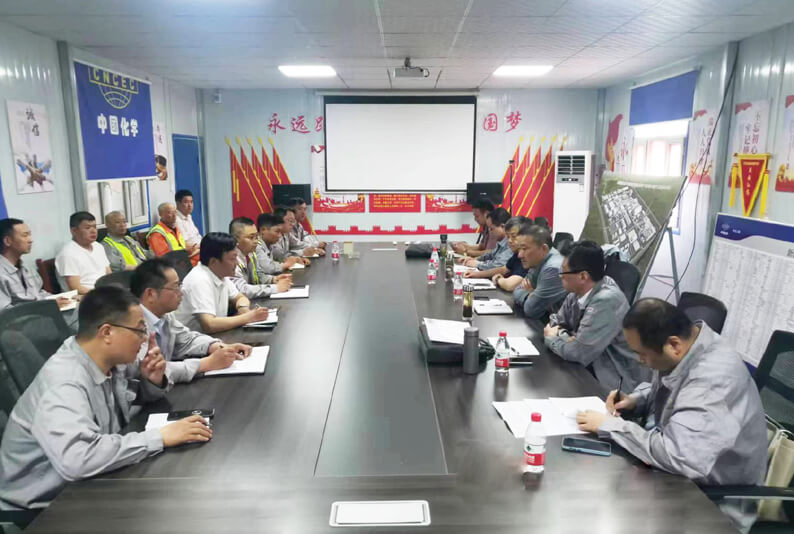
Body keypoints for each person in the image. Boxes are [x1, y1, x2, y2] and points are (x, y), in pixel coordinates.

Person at [0, 286, 211, 511]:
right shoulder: (64, 382)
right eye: (140, 330)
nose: (145, 339)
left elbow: (138, 393)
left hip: (89, 483)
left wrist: (152, 380)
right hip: (41, 509)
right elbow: (78, 460)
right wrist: (159, 437)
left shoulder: (108, 359)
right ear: (107, 332)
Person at [576, 298, 768, 532]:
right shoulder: (691, 346)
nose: (640, 361)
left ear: (674, 344)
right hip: (678, 477)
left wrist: (611, 426)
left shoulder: (712, 381)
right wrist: (636, 400)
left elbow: (679, 456)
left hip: (711, 502)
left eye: (642, 354)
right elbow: (673, 389)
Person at [543, 241, 650, 391]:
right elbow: (555, 322)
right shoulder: (577, 292)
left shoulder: (607, 300)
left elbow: (578, 353)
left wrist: (553, 339)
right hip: (587, 367)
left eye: (563, 271)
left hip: (611, 381)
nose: (560, 276)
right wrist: (568, 337)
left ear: (583, 276)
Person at [130, 259, 253, 383]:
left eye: (180, 285)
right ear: (150, 294)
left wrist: (218, 347)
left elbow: (187, 339)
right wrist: (205, 363)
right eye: (175, 287)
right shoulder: (132, 326)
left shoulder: (165, 316)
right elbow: (148, 369)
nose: (181, 292)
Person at [174, 232, 270, 333]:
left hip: (213, 337)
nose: (236, 263)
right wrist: (248, 317)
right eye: (232, 259)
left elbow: (240, 297)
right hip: (192, 340)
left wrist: (243, 308)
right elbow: (209, 324)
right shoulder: (199, 280)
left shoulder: (219, 274)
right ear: (213, 261)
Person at [0, 218, 70, 309]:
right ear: (7, 241)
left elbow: (38, 293)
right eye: (25, 235)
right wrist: (45, 306)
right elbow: (5, 312)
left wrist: (54, 300)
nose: (30, 240)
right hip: (26, 317)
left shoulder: (26, 267)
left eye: (29, 235)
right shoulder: (2, 273)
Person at [228, 217, 292, 299]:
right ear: (236, 240)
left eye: (256, 237)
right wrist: (275, 288)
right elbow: (241, 290)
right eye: (251, 237)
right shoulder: (230, 260)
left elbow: (258, 275)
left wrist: (273, 279)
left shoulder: (250, 254)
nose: (256, 241)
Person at [512, 224, 566, 320]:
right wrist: (530, 295)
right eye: (519, 249)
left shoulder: (553, 269)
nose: (520, 255)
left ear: (544, 248)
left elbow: (531, 309)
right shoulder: (537, 261)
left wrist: (532, 294)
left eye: (524, 249)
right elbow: (517, 290)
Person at [463, 217, 528, 291]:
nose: (509, 241)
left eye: (513, 237)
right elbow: (503, 269)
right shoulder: (516, 254)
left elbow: (510, 285)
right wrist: (476, 274)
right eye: (508, 237)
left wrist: (498, 279)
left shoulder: (526, 256)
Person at [55, 211, 111, 294]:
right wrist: (101, 293)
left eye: (95, 227)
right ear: (74, 231)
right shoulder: (67, 254)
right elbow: (75, 287)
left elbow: (108, 274)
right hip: (85, 296)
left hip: (104, 292)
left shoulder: (98, 246)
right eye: (88, 228)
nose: (93, 231)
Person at [147, 202, 198, 267]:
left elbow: (180, 245)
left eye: (175, 212)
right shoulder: (157, 234)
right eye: (170, 212)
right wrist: (185, 252)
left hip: (183, 260)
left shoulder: (175, 228)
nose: (174, 215)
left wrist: (191, 248)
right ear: (161, 214)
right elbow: (164, 257)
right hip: (172, 266)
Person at [174, 190, 202, 265]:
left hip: (199, 249)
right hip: (192, 254)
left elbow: (197, 236)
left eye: (191, 202)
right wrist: (203, 245)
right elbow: (187, 244)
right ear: (178, 203)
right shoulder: (176, 220)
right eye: (186, 202)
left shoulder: (189, 216)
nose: (190, 205)